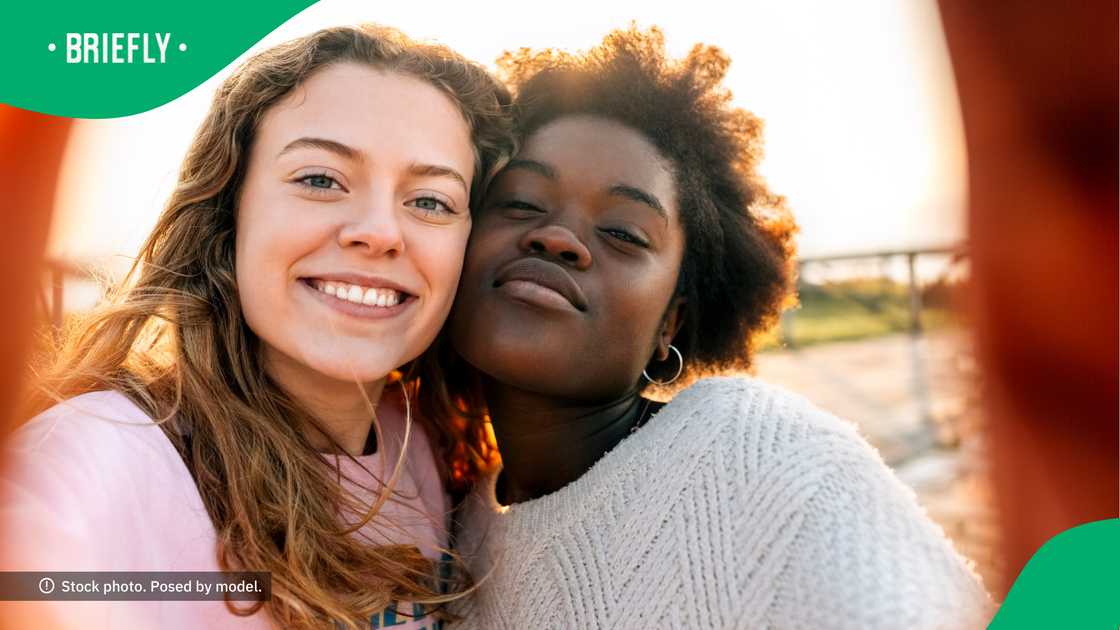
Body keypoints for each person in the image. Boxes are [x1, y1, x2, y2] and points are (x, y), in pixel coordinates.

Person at [446, 27, 993, 628]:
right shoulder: (448, 530)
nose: (557, 238)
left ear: (671, 322)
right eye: (521, 201)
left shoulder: (753, 451)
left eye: (624, 233)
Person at [0, 24, 513, 630]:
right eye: (320, 180)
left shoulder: (426, 449)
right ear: (229, 213)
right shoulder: (96, 459)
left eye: (430, 201)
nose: (379, 231)